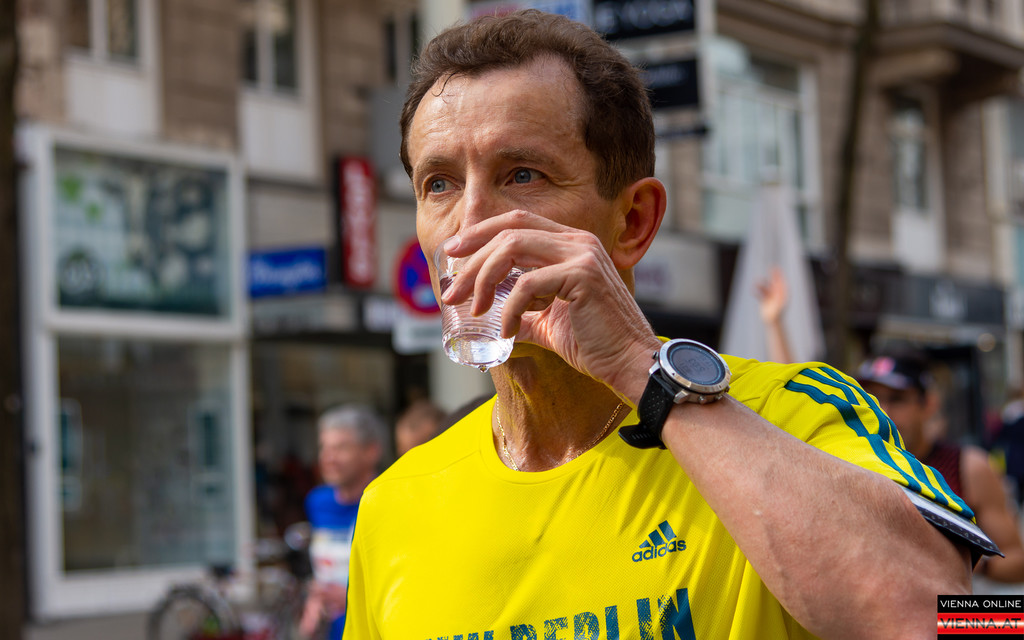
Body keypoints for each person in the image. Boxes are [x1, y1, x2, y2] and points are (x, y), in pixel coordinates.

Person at [345, 11, 991, 638]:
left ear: (633, 222)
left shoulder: (797, 412)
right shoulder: (393, 504)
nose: (470, 224)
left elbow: (969, 619)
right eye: (439, 184)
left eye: (522, 175)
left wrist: (641, 368)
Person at [857, 351, 1024, 583]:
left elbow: (1018, 562)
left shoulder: (967, 467)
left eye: (897, 399)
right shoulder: (848, 465)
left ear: (929, 404)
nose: (881, 410)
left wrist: (968, 559)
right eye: (870, 399)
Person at [300, 404, 385, 640]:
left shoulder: (387, 501)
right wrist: (314, 602)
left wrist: (350, 597)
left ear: (371, 451)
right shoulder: (317, 501)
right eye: (324, 448)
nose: (329, 458)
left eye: (341, 448)